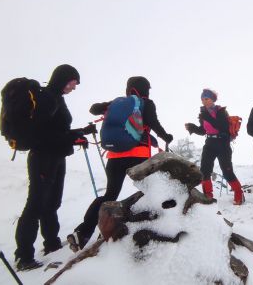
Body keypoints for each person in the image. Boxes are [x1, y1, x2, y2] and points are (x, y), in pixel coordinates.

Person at [68, 76, 173, 252]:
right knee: (151, 190)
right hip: (139, 156)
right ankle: (158, 227)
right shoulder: (146, 103)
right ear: (145, 89)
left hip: (115, 157)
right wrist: (166, 137)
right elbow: (153, 123)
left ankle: (83, 232)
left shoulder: (118, 103)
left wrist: (109, 106)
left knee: (109, 194)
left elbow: (94, 109)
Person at [13, 64, 95, 270]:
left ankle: (51, 243)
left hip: (55, 156)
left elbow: (57, 131)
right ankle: (23, 256)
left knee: (51, 203)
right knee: (35, 205)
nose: (74, 87)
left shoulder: (56, 98)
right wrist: (74, 135)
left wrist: (79, 134)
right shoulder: (47, 98)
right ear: (62, 78)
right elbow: (43, 135)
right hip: (43, 158)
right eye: (73, 82)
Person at [185, 89, 244, 205]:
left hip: (223, 143)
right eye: (202, 99)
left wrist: (207, 117)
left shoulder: (221, 111)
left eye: (206, 98)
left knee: (227, 171)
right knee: (204, 171)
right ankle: (208, 196)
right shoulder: (203, 113)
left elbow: (223, 127)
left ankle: (238, 193)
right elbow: (203, 131)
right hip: (210, 143)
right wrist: (193, 128)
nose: (204, 101)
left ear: (213, 99)